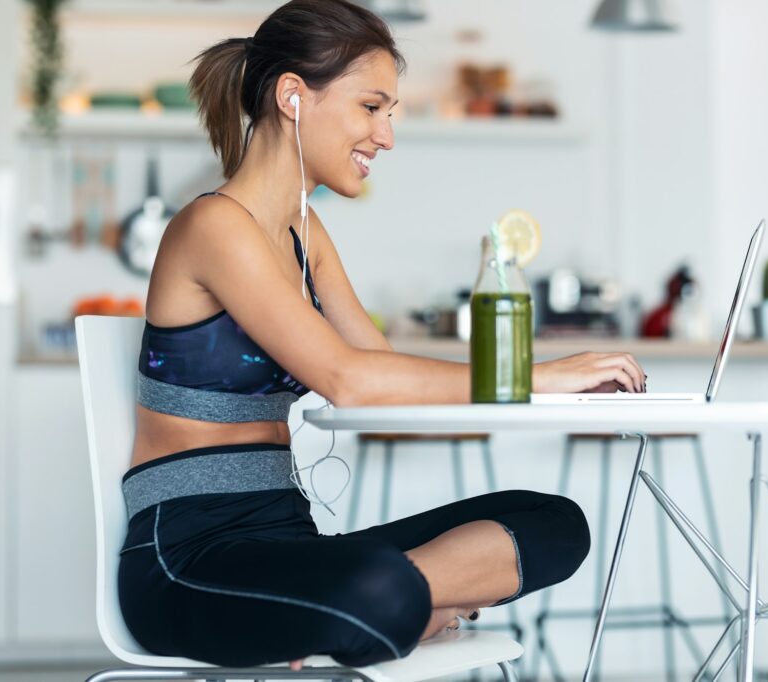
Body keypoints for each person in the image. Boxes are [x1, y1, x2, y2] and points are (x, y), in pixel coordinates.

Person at [119, 0, 647, 670]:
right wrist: (537, 375)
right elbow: (346, 379)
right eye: (372, 107)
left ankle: (366, 610)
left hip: (290, 543)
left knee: (554, 523)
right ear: (293, 97)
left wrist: (539, 390)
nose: (387, 136)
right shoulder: (214, 226)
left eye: (389, 113)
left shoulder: (306, 233)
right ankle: (376, 606)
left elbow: (380, 372)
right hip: (186, 561)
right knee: (381, 583)